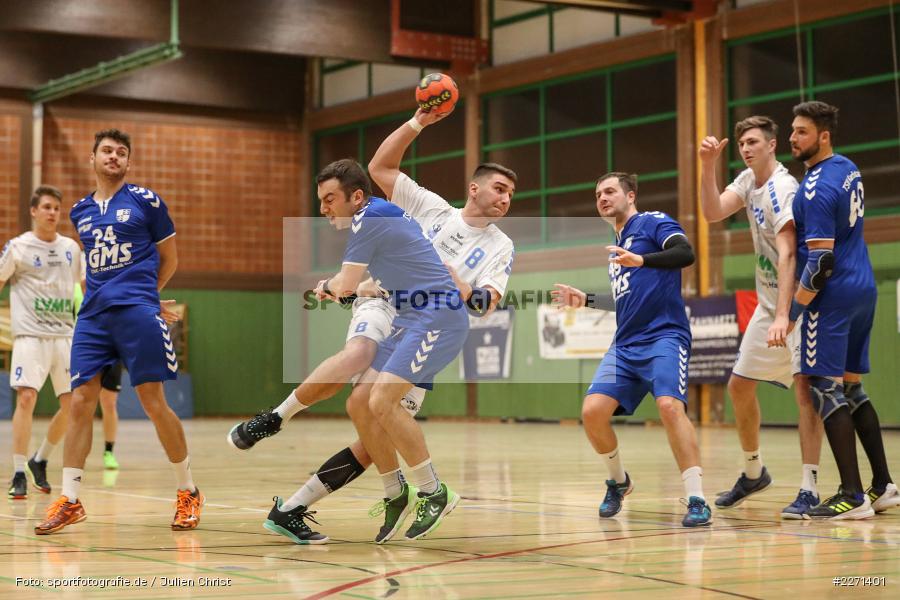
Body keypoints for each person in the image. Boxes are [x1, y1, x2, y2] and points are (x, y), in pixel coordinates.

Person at [234, 110, 516, 544]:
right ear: (473, 188)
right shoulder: (432, 207)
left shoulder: (500, 245)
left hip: (430, 316)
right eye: (499, 188)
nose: (505, 198)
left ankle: (316, 504)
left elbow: (484, 304)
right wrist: (418, 121)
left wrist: (462, 287)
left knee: (376, 425)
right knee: (362, 372)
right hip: (385, 302)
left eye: (511, 193)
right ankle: (276, 417)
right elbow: (380, 167)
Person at [35, 128, 202, 534]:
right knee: (79, 402)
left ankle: (188, 491)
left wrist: (147, 296)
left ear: (128, 162)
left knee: (152, 401)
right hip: (93, 317)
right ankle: (70, 499)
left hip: (137, 313)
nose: (114, 157)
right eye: (107, 151)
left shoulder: (146, 201)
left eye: (121, 152)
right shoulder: (80, 211)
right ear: (92, 159)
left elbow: (170, 259)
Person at [553, 172, 712, 527]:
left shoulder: (653, 222)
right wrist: (585, 299)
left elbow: (685, 253)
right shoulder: (618, 244)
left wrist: (641, 260)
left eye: (610, 191)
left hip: (664, 336)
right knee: (592, 412)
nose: (602, 198)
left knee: (669, 406)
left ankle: (697, 499)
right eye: (598, 194)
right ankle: (619, 481)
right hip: (625, 345)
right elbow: (627, 298)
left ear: (631, 196)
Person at [698, 115, 824, 518]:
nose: (746, 149)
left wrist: (784, 314)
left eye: (753, 142)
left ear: (772, 145)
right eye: (741, 144)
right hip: (770, 305)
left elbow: (789, 254)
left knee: (809, 393)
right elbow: (712, 212)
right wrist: (707, 166)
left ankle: (810, 487)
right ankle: (754, 472)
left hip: (799, 305)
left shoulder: (783, 188)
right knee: (739, 386)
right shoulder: (748, 180)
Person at [786, 101, 900, 518]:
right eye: (792, 130)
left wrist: (793, 312)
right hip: (863, 288)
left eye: (801, 132)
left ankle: (852, 495)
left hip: (831, 298)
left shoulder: (816, 187)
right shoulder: (848, 167)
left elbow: (820, 262)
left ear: (824, 136)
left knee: (823, 387)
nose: (792, 138)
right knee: (852, 388)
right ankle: (883, 485)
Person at [1, 186, 82, 499]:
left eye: (57, 208)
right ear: (33, 211)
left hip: (65, 335)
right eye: (47, 207)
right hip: (30, 335)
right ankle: (19, 471)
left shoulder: (71, 248)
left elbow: (86, 288)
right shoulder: (18, 247)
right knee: (26, 397)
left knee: (73, 405)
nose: (52, 213)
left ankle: (40, 458)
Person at [73, 282, 121, 470]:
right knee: (81, 403)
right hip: (86, 349)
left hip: (111, 346)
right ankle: (77, 454)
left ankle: (109, 451)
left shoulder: (110, 284)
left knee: (109, 403)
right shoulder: (74, 289)